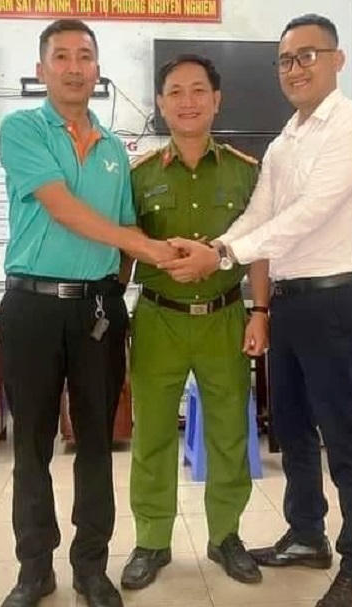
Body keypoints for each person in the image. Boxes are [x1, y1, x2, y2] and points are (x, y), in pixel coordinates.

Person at [159, 13, 352, 607]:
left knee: (344, 435)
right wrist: (216, 246)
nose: (295, 68)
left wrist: (221, 254)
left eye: (308, 55)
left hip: (336, 297)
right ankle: (307, 533)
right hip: (288, 302)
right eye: (286, 59)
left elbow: (311, 212)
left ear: (337, 60)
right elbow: (260, 213)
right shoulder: (285, 141)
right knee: (291, 427)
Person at [0, 19, 177, 607]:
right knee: (32, 444)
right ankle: (34, 569)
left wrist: (116, 286)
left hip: (98, 308)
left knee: (98, 441)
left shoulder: (114, 151)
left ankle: (91, 567)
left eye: (85, 56)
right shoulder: (22, 129)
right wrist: (148, 248)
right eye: (62, 56)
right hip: (32, 306)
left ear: (97, 69)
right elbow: (62, 209)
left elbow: (123, 232)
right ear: (42, 69)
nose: (74, 67)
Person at [119, 54, 270, 591]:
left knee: (230, 433)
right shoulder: (138, 176)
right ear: (161, 104)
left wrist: (260, 312)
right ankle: (152, 540)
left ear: (216, 100)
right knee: (152, 435)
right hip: (157, 320)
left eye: (198, 90)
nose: (188, 101)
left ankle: (226, 536)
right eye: (176, 92)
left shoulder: (246, 171)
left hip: (224, 317)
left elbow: (259, 248)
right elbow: (125, 253)